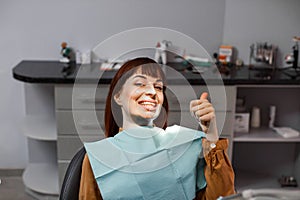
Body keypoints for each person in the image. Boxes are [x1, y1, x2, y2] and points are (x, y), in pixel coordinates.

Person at [79, 57, 235, 200]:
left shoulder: (187, 145)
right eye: (140, 84)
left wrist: (212, 136)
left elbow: (220, 196)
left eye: (158, 87)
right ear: (118, 96)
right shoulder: (99, 158)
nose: (152, 92)